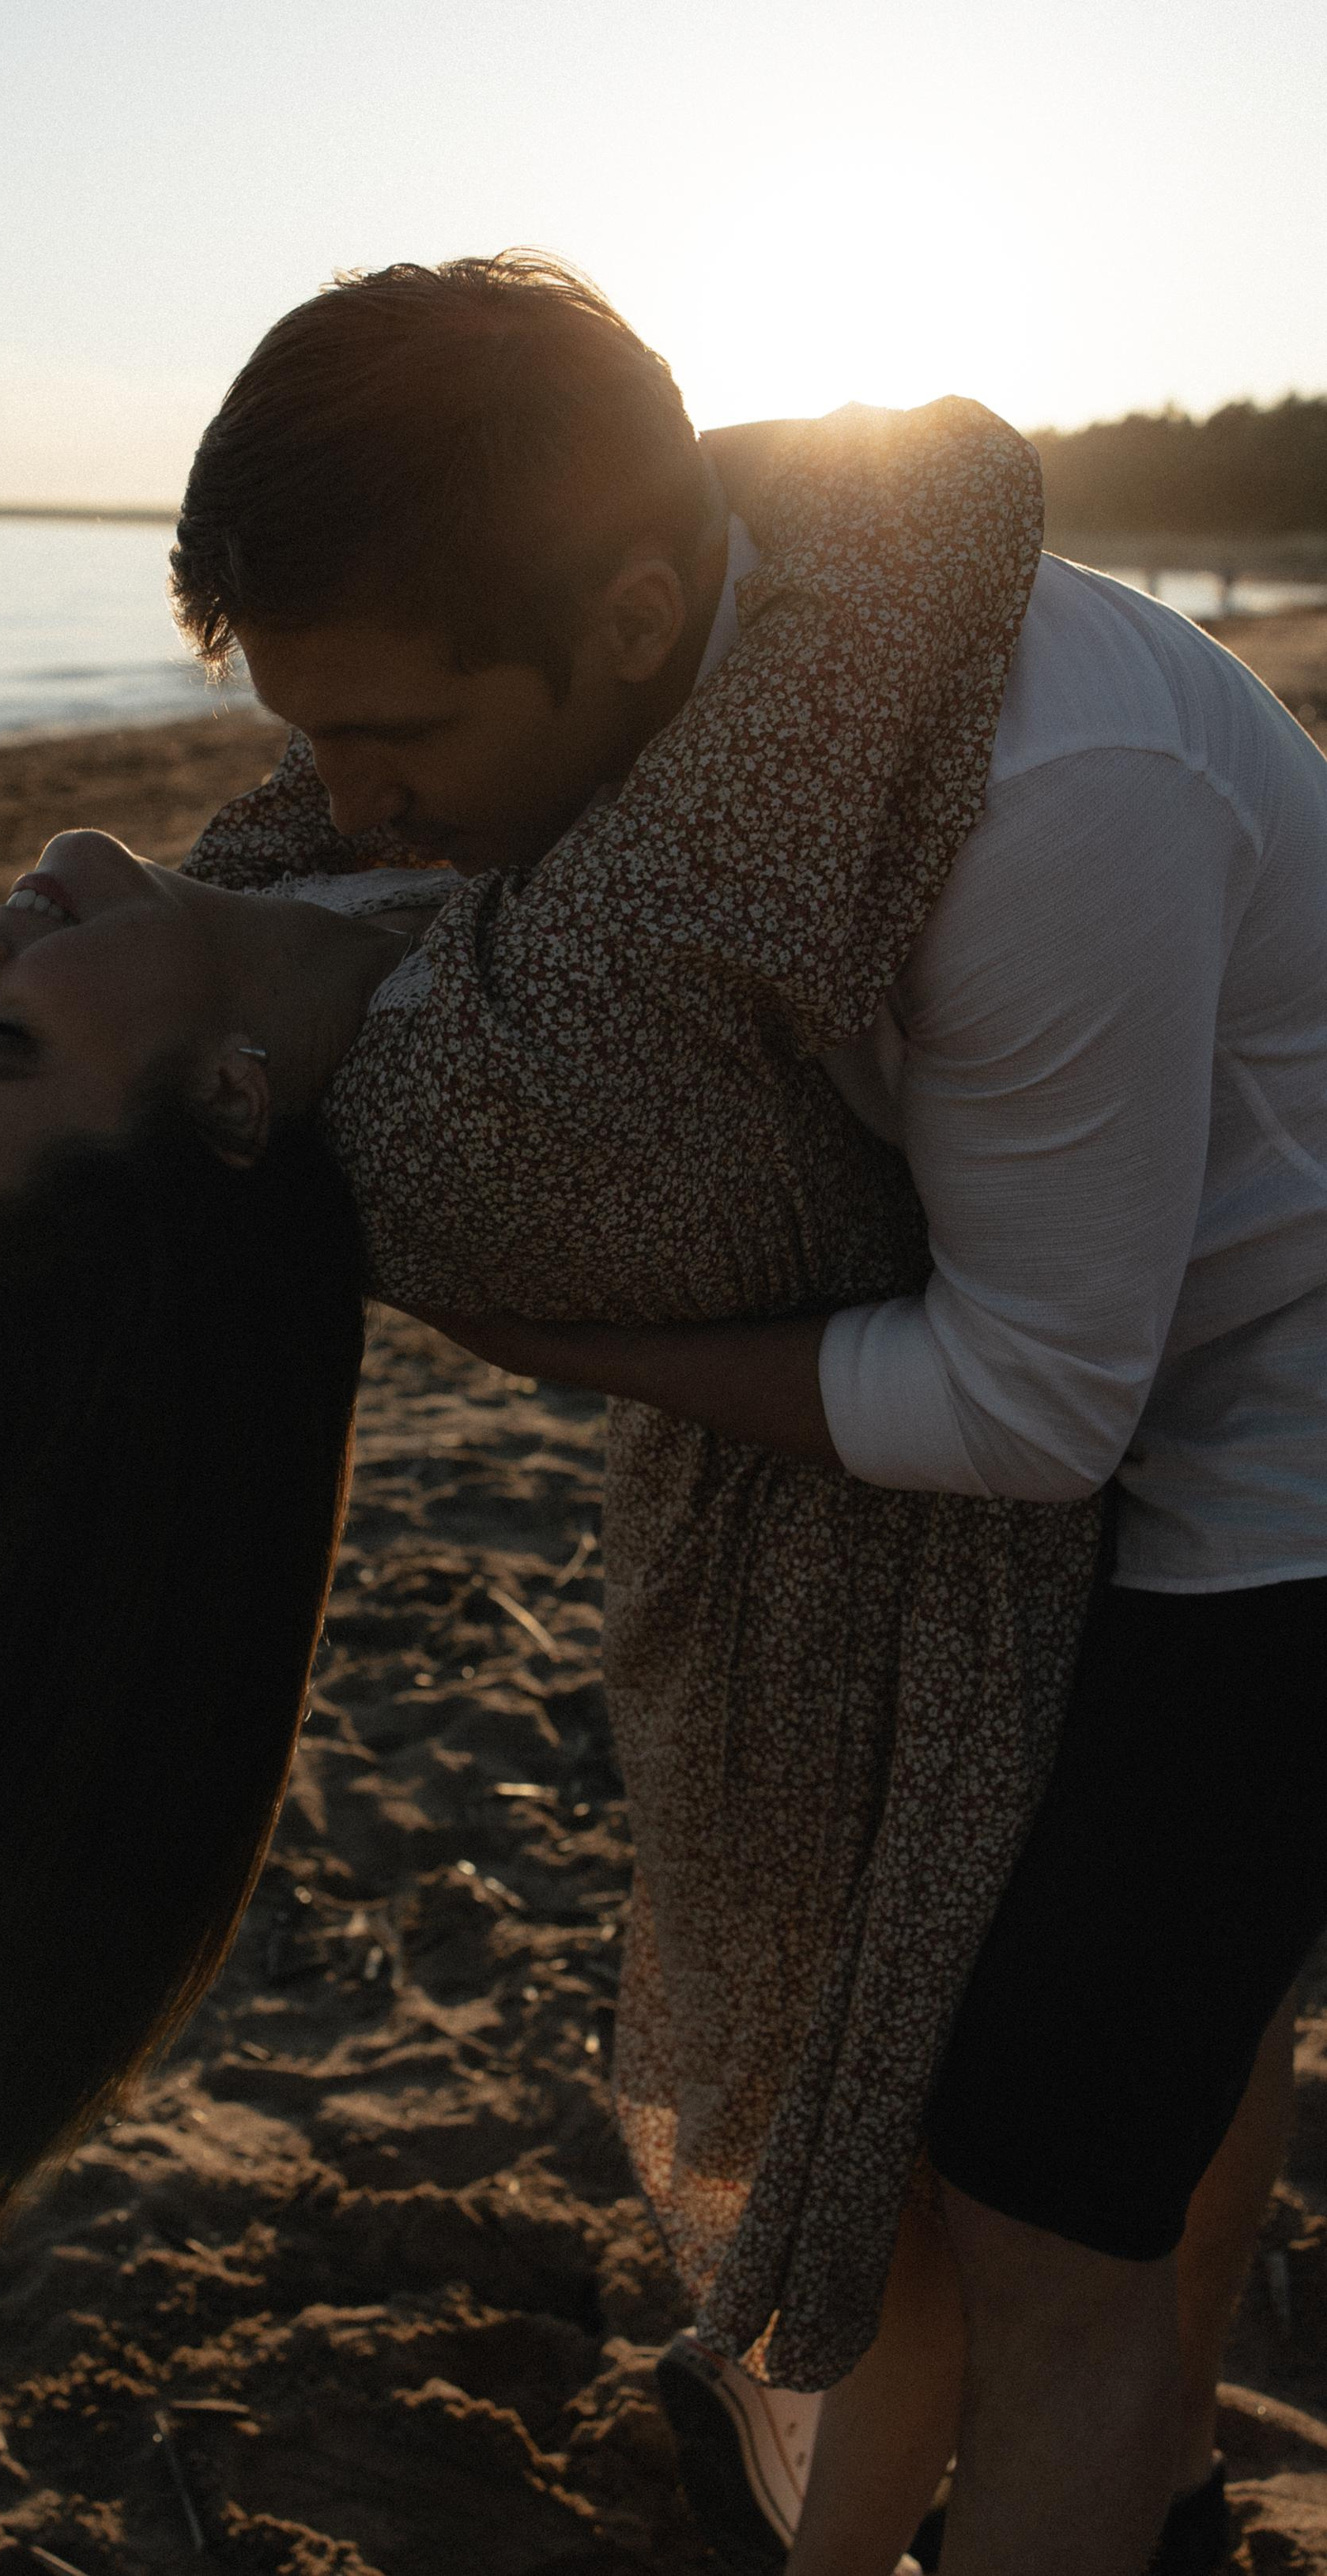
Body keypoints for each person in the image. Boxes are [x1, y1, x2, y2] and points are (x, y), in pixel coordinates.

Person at [0, 365, 1100, 2552]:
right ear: (227, 1113)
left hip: (998, 1507)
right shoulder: (510, 1103)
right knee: (1065, 2281)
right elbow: (934, 509)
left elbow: (365, 760)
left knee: (1027, 2258)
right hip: (1135, 1525)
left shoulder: (289, 953)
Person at [168, 258, 1327, 2576]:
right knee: (1126, 2110)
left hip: (1276, 1487)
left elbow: (1026, 1394)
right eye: (309, 737)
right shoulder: (721, 666)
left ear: (619, 617)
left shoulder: (1041, 800)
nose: (348, 798)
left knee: (1043, 2215)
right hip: (1133, 1408)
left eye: (395, 736)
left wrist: (566, 1342)